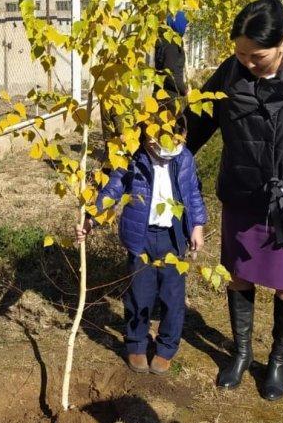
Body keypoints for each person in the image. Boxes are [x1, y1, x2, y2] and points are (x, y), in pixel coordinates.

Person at [186, 0, 283, 401]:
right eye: (240, 53)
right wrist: (163, 152)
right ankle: (240, 353)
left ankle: (278, 359)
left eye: (257, 56)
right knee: (238, 272)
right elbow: (198, 119)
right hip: (241, 189)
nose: (247, 62)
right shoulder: (231, 71)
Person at [78, 119, 207, 374]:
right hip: (141, 236)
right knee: (139, 294)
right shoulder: (134, 158)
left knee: (173, 297)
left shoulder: (185, 158)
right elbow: (114, 188)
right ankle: (136, 344)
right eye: (162, 140)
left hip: (174, 236)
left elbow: (193, 193)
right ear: (148, 138)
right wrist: (91, 217)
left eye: (177, 139)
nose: (170, 147)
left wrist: (197, 226)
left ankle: (166, 347)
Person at [153, 10, 189, 96]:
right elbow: (170, 73)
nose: (186, 28)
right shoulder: (171, 45)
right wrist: (184, 90)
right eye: (185, 25)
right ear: (178, 24)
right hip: (169, 97)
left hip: (160, 93)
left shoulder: (164, 40)